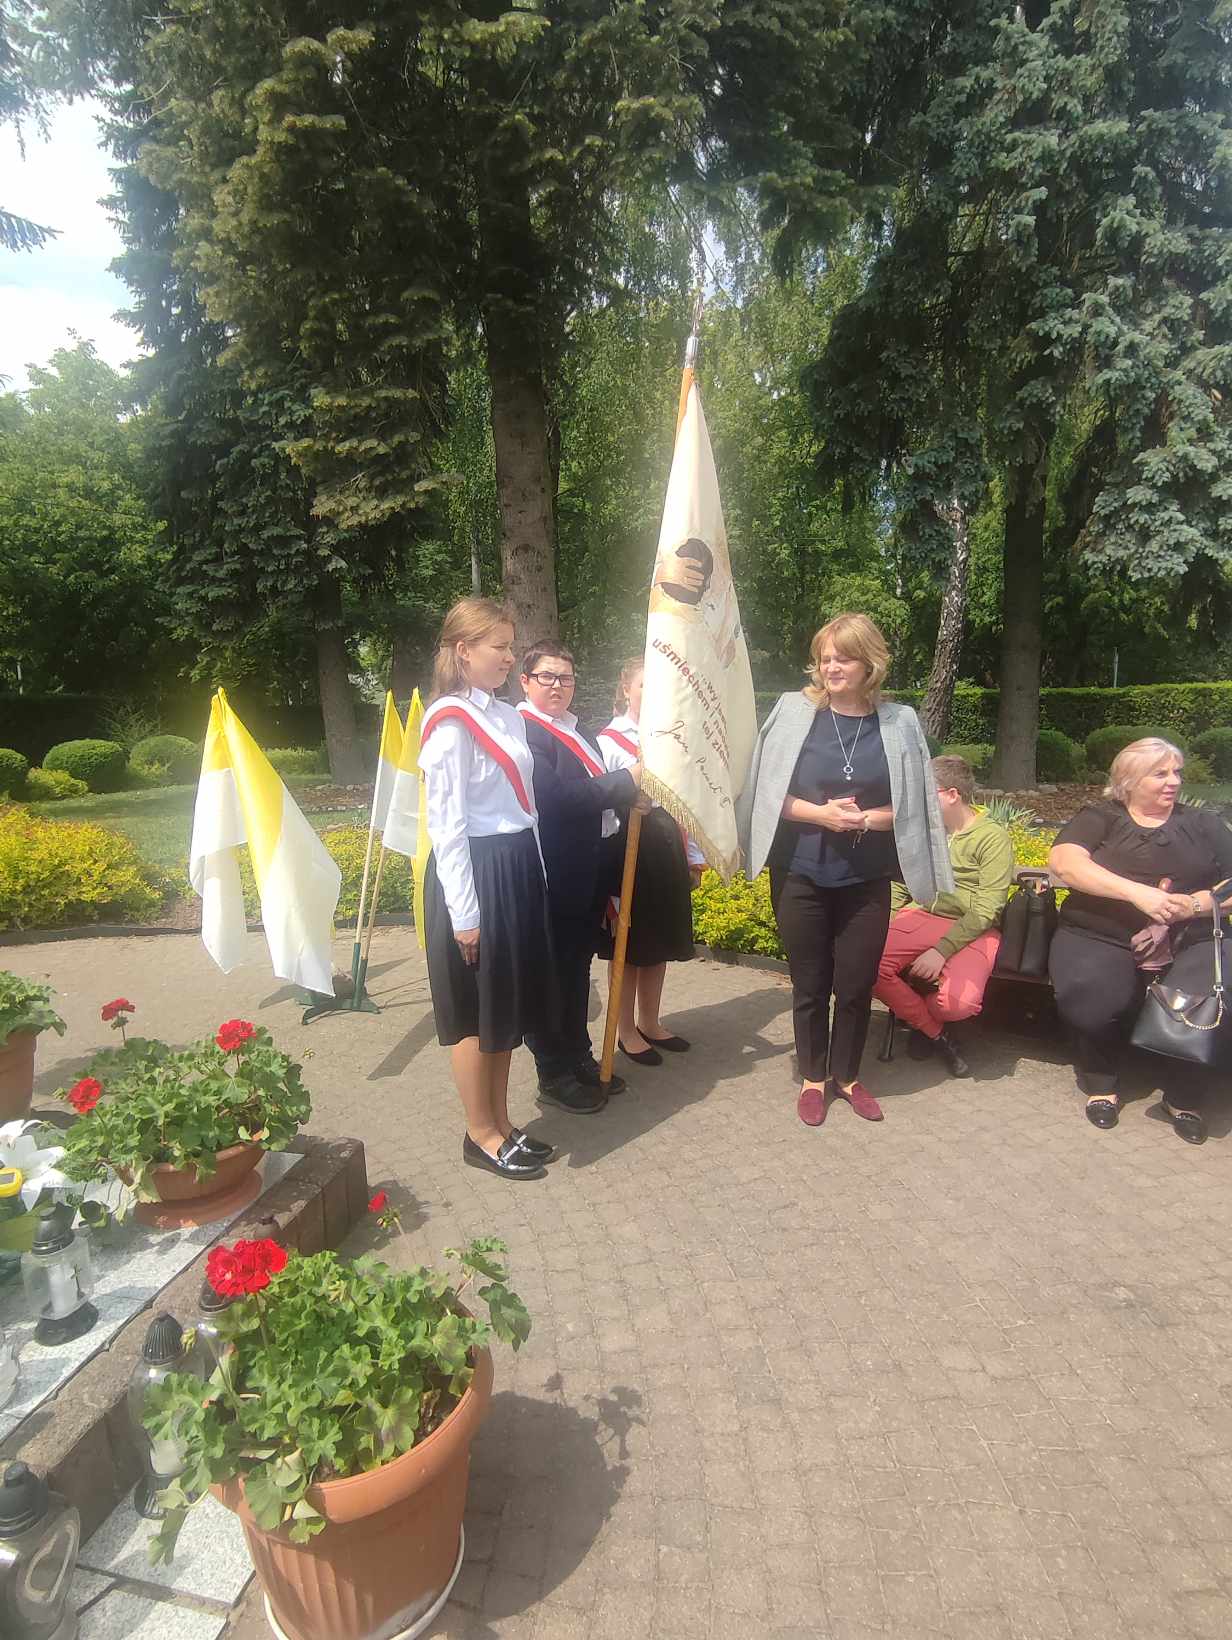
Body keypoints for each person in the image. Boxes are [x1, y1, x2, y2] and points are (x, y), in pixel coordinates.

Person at [736, 613, 954, 1126]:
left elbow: (917, 802)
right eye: (826, 657)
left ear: (869, 664)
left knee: (856, 985)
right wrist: (822, 815)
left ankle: (848, 1076)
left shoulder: (900, 722)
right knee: (810, 983)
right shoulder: (794, 712)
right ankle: (814, 1077)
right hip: (800, 872)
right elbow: (764, 791)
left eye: (845, 658)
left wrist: (869, 819)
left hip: (866, 877)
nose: (832, 667)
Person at [417, 597, 560, 1181]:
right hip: (476, 873)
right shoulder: (450, 723)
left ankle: (501, 1123)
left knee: (506, 1007)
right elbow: (446, 827)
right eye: (498, 647)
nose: (508, 656)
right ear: (463, 650)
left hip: (515, 866)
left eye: (509, 645)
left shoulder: (506, 716)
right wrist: (466, 915)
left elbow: (524, 808)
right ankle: (479, 1133)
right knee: (477, 1013)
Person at [1048, 737, 1232, 1143]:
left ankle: (1183, 1097)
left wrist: (1194, 904)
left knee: (1203, 1004)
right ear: (1129, 780)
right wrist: (1136, 894)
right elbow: (1065, 863)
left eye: (1176, 772)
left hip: (1192, 936)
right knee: (1089, 997)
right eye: (1160, 773)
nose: (1174, 781)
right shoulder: (1100, 817)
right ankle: (1101, 1081)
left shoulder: (1203, 823)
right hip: (1100, 931)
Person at [516, 640, 640, 1106]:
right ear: (525, 681)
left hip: (588, 867)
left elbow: (596, 792)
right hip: (554, 872)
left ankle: (577, 1054)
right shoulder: (526, 731)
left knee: (576, 968)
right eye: (547, 676)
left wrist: (631, 796)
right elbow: (558, 800)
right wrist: (628, 781)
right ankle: (552, 1071)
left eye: (565, 677)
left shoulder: (576, 728)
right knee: (552, 973)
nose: (557, 685)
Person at [874, 754, 1014, 1078]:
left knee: (958, 1004)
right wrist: (885, 922)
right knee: (863, 965)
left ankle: (921, 1018)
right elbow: (901, 883)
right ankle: (933, 1032)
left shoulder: (992, 837)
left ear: (952, 795)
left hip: (973, 927)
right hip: (921, 916)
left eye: (927, 793)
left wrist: (941, 950)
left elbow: (987, 907)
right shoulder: (924, 833)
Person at [598, 657, 705, 1065]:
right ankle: (625, 1029)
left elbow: (685, 803)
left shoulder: (672, 738)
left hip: (664, 843)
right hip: (627, 845)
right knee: (628, 945)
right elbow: (600, 804)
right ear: (626, 689)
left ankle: (650, 1021)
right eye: (644, 685)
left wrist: (693, 857)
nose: (652, 693)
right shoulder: (609, 741)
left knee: (658, 942)